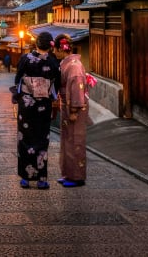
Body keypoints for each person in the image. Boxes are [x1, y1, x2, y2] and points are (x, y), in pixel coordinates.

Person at [13, 32, 60, 189]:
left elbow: (18, 79)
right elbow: (56, 84)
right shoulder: (53, 62)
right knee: (41, 139)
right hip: (43, 105)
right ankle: (42, 179)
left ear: (36, 44)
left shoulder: (25, 59)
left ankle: (25, 178)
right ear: (50, 46)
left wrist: (18, 96)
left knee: (25, 138)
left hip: (26, 105)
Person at [53, 33, 89, 188]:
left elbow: (76, 88)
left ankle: (77, 177)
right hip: (67, 105)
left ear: (61, 49)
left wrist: (74, 109)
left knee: (75, 141)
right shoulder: (67, 63)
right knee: (67, 140)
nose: (53, 52)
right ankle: (67, 173)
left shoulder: (73, 66)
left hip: (75, 107)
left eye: (55, 49)